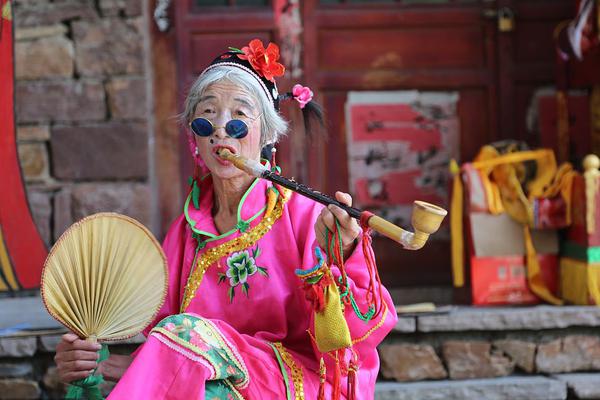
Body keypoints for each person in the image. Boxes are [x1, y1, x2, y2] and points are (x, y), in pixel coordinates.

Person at [54, 39, 397, 399]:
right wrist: (95, 363)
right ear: (194, 138)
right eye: (208, 114)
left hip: (298, 381)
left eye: (239, 115)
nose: (220, 128)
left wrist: (345, 254)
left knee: (186, 333)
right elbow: (168, 354)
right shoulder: (184, 232)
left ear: (266, 135)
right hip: (220, 384)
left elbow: (358, 334)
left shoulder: (307, 217)